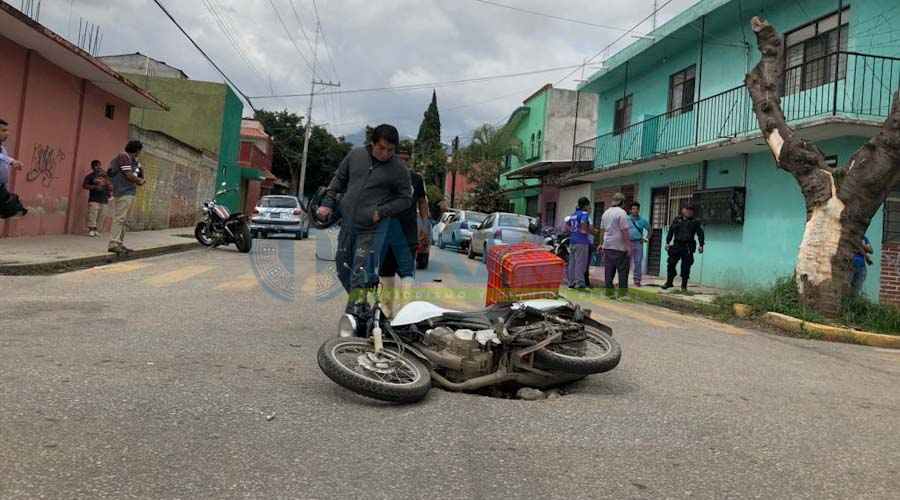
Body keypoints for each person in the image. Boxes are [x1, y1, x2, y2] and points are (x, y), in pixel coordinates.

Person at [316, 124, 413, 313]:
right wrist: (327, 203)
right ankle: (361, 306)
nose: (385, 154)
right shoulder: (355, 156)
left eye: (390, 150)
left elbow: (406, 199)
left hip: (371, 228)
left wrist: (381, 211)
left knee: (359, 273)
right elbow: (338, 180)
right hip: (348, 224)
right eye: (381, 148)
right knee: (343, 269)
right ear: (372, 143)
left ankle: (353, 317)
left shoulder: (398, 169)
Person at [378, 146, 428, 315]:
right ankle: (386, 310)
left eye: (406, 159)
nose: (403, 162)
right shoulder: (383, 177)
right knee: (385, 271)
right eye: (400, 158)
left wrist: (424, 226)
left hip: (407, 233)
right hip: (385, 233)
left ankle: (406, 312)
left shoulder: (416, 179)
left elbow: (422, 202)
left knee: (407, 272)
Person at [107, 140, 146, 255]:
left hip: (128, 191)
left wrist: (138, 168)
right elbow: (128, 174)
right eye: (139, 151)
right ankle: (114, 243)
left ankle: (119, 243)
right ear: (137, 150)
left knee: (123, 219)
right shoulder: (123, 156)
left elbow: (137, 173)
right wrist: (140, 180)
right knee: (120, 218)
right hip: (123, 191)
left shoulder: (132, 160)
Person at [663, 205, 705, 291]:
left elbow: (700, 233)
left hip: (688, 246)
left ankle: (684, 286)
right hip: (677, 245)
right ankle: (669, 282)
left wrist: (701, 245)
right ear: (683, 210)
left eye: (691, 210)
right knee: (671, 263)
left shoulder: (695, 222)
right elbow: (671, 231)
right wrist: (667, 242)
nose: (689, 212)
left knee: (686, 267)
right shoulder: (677, 220)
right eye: (687, 210)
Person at [600, 193, 632, 295]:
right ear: (622, 202)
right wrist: (628, 246)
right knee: (622, 271)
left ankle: (608, 292)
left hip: (608, 245)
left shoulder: (606, 213)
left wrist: (601, 243)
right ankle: (622, 293)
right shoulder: (622, 213)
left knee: (609, 271)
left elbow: (602, 230)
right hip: (619, 246)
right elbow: (624, 230)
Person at [0, 118, 27, 219]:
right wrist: (11, 161)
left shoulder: (2, 149)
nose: (7, 133)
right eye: (3, 130)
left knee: (15, 208)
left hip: (1, 188)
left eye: (7, 130)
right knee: (13, 208)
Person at [566, 197, 592, 289]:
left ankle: (571, 282)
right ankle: (580, 283)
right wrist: (586, 230)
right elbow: (584, 226)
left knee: (572, 263)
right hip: (582, 241)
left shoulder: (573, 214)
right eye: (589, 204)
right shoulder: (584, 214)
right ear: (585, 205)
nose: (589, 206)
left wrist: (573, 231)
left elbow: (567, 225)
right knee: (580, 263)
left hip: (572, 240)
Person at [82, 160, 111, 237]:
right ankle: (91, 229)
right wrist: (94, 187)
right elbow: (84, 185)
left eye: (98, 166)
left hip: (104, 199)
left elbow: (110, 185)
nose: (97, 167)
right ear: (92, 167)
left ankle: (97, 230)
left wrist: (109, 193)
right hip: (93, 198)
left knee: (102, 215)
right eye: (95, 166)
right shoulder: (89, 176)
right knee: (92, 214)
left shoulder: (105, 176)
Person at [627, 202, 650, 287]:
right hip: (628, 243)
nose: (635, 211)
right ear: (630, 210)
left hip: (638, 243)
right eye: (633, 209)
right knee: (626, 262)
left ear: (639, 210)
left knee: (638, 262)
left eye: (637, 209)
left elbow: (649, 230)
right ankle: (624, 279)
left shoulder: (643, 220)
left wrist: (646, 238)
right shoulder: (626, 219)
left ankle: (637, 280)